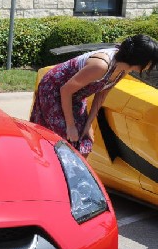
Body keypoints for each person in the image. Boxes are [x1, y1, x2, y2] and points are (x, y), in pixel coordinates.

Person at [30, 34, 158, 157]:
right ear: (140, 60)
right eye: (150, 62)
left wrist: (88, 124)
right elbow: (65, 90)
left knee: (85, 141)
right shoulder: (100, 65)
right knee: (65, 139)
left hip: (76, 95)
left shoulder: (123, 70)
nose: (151, 66)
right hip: (54, 90)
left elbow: (102, 94)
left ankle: (75, 177)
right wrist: (70, 126)